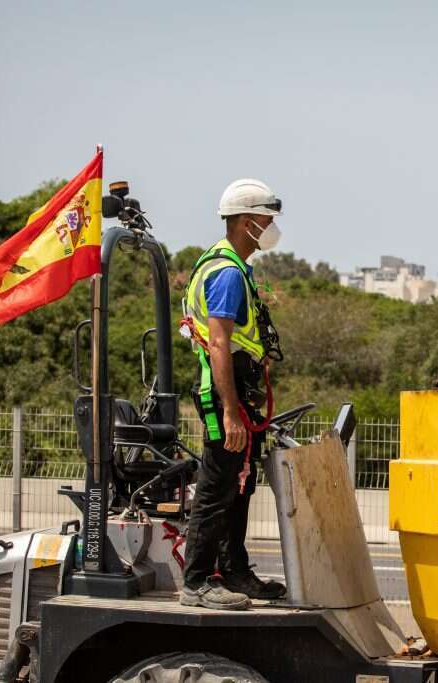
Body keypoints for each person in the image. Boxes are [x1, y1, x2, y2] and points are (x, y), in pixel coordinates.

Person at [179, 178, 287, 610]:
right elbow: (220, 343)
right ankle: (197, 581)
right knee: (217, 485)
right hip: (225, 393)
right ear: (247, 223)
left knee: (239, 487)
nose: (272, 227)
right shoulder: (225, 273)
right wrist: (230, 411)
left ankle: (234, 571)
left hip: (239, 390)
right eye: (267, 219)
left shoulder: (230, 266)